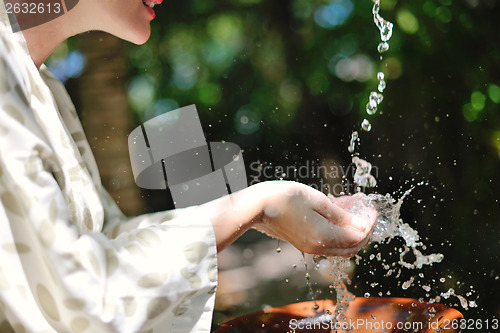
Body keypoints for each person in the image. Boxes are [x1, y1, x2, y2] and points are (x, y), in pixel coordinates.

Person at [0, 1, 377, 332]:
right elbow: (85, 297)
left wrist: (257, 209)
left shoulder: (42, 83)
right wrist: (257, 204)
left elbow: (104, 240)